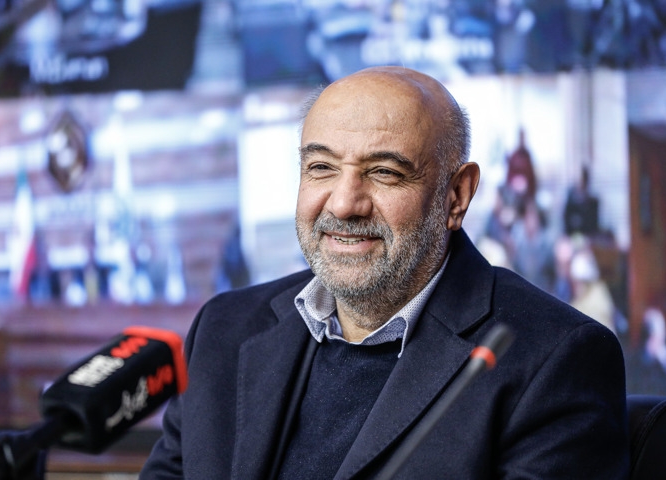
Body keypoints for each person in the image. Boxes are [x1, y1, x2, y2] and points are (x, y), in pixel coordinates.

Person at [141, 66, 629, 479]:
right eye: (321, 167)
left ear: (456, 196)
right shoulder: (223, 332)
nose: (343, 204)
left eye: (384, 172)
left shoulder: (555, 358)